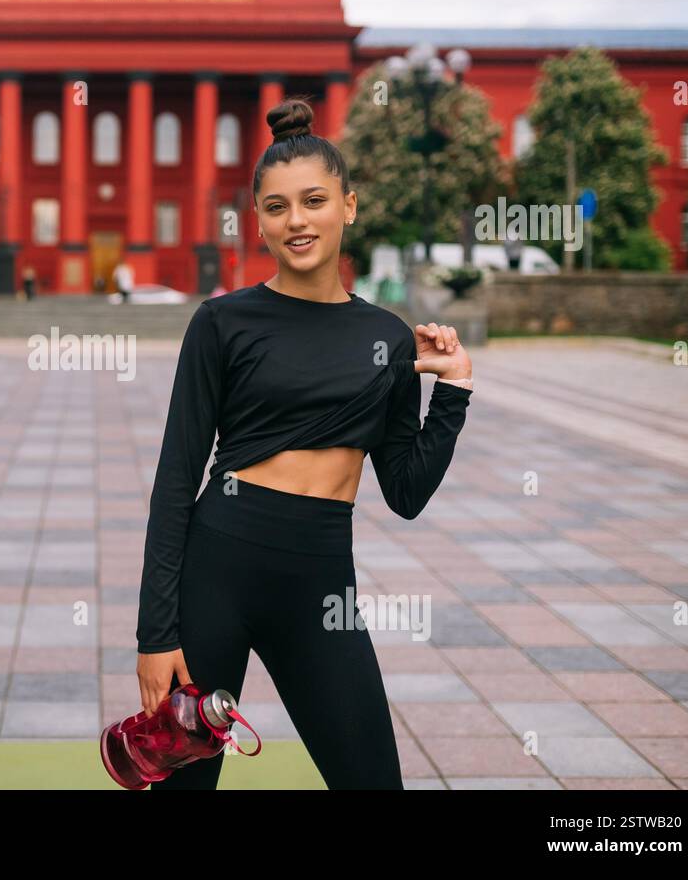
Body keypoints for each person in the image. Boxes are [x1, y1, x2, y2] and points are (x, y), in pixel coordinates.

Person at [136, 95, 474, 790]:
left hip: (322, 583)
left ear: (348, 206)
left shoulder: (385, 337)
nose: (297, 221)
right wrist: (156, 635)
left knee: (373, 780)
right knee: (187, 787)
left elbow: (405, 492)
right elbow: (175, 481)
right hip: (217, 571)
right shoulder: (223, 323)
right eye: (277, 207)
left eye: (314, 201)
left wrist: (454, 393)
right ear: (258, 221)